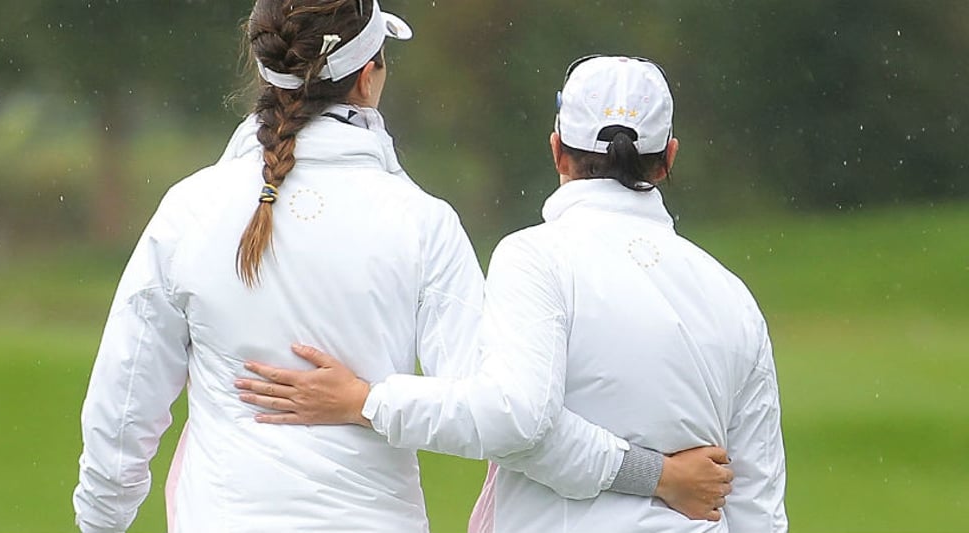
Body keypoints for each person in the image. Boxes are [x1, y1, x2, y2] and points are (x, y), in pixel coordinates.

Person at [73, 0, 729, 528]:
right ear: (368, 75)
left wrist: (103, 519)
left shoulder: (190, 211)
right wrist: (657, 476)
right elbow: (509, 418)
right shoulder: (422, 224)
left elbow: (123, 403)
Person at [236, 55, 788, 532]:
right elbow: (758, 505)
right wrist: (662, 477)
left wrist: (365, 401)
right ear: (667, 158)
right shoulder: (732, 296)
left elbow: (517, 425)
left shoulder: (536, 258)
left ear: (557, 152)